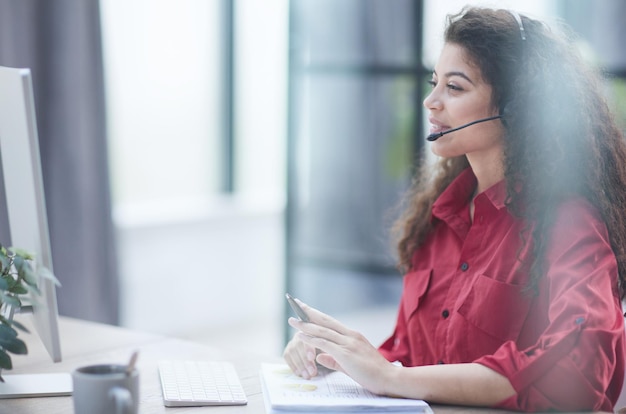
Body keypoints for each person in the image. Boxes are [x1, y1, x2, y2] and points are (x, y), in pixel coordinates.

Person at [283, 6, 626, 412]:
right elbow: (411, 357)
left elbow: (578, 377)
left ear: (517, 108)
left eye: (455, 87)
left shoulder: (567, 224)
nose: (431, 102)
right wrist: (335, 357)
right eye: (434, 83)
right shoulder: (437, 219)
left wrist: (392, 377)